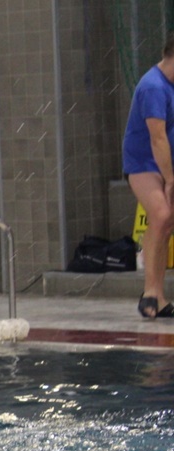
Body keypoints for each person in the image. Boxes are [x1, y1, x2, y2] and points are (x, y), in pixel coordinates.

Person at [124, 30, 174, 319]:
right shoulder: (153, 87)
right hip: (143, 163)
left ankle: (159, 296)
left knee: (167, 223)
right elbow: (157, 139)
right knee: (162, 215)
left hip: (165, 162)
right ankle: (149, 292)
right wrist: (170, 180)